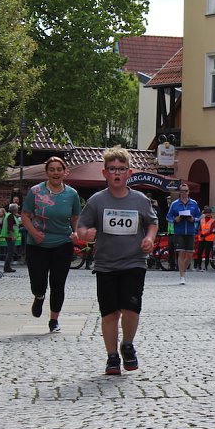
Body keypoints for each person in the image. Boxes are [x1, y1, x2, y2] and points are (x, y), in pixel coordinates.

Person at [76, 147, 159, 375]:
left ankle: (128, 345)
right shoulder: (96, 201)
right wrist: (85, 234)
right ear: (105, 173)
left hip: (134, 262)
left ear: (129, 173)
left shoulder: (140, 200)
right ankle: (112, 357)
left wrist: (149, 238)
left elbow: (152, 222)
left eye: (121, 169)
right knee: (110, 313)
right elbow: (81, 226)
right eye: (112, 169)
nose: (117, 173)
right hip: (105, 264)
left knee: (131, 309)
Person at [21, 156, 82, 333]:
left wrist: (75, 231)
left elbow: (75, 217)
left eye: (59, 169)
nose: (56, 172)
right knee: (38, 282)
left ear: (65, 172)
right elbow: (25, 215)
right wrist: (34, 233)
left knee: (58, 283)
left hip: (62, 243)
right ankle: (39, 296)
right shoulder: (35, 191)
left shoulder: (72, 194)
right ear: (47, 172)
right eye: (52, 169)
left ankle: (54, 320)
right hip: (37, 244)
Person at [166, 183, 202, 284]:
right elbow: (168, 217)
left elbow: (199, 216)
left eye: (186, 191)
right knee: (181, 253)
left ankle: (183, 270)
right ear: (179, 192)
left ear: (188, 192)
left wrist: (193, 219)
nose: (184, 193)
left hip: (190, 231)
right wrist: (175, 219)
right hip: (179, 231)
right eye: (182, 191)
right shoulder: (175, 204)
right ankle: (182, 276)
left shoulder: (194, 203)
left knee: (190, 255)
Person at [0, 203, 20, 273]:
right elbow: (10, 227)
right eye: (17, 208)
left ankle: (7, 266)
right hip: (10, 236)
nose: (18, 209)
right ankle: (7, 267)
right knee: (10, 251)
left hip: (9, 235)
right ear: (14, 209)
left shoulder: (9, 215)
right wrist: (12, 235)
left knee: (10, 251)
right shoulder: (10, 216)